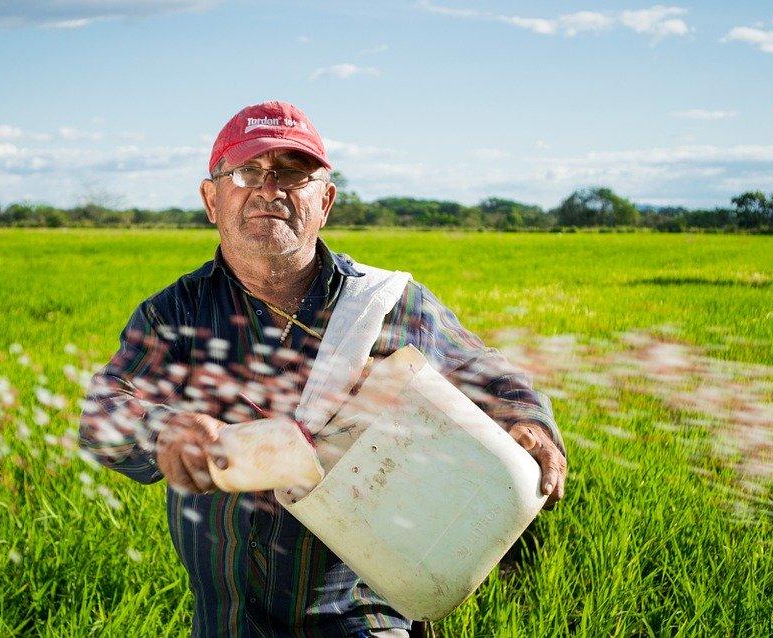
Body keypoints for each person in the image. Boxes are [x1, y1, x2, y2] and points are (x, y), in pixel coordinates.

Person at [79, 100, 567, 638]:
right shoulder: (176, 313)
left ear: (325, 200)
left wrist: (530, 422)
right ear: (211, 199)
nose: (269, 188)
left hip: (364, 613)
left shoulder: (384, 303)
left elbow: (484, 370)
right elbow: (102, 414)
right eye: (246, 171)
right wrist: (163, 430)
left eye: (292, 172)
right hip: (226, 620)